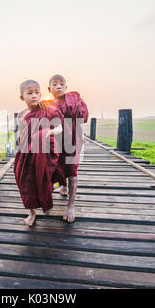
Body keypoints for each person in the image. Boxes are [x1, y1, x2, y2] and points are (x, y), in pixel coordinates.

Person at [14, 79, 66, 227]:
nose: (34, 96)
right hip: (27, 153)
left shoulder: (47, 108)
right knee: (25, 181)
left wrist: (47, 132)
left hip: (45, 150)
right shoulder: (22, 115)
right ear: (22, 97)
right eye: (30, 93)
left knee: (49, 176)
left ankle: (55, 188)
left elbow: (59, 128)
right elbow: (21, 134)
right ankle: (32, 212)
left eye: (37, 92)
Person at [40, 74, 89, 223]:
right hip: (56, 143)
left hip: (72, 141)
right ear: (49, 89)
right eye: (55, 84)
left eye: (62, 84)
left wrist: (77, 105)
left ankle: (71, 206)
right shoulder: (47, 104)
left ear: (66, 88)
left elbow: (84, 116)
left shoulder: (73, 100)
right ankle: (61, 187)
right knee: (55, 168)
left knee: (72, 173)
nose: (59, 86)